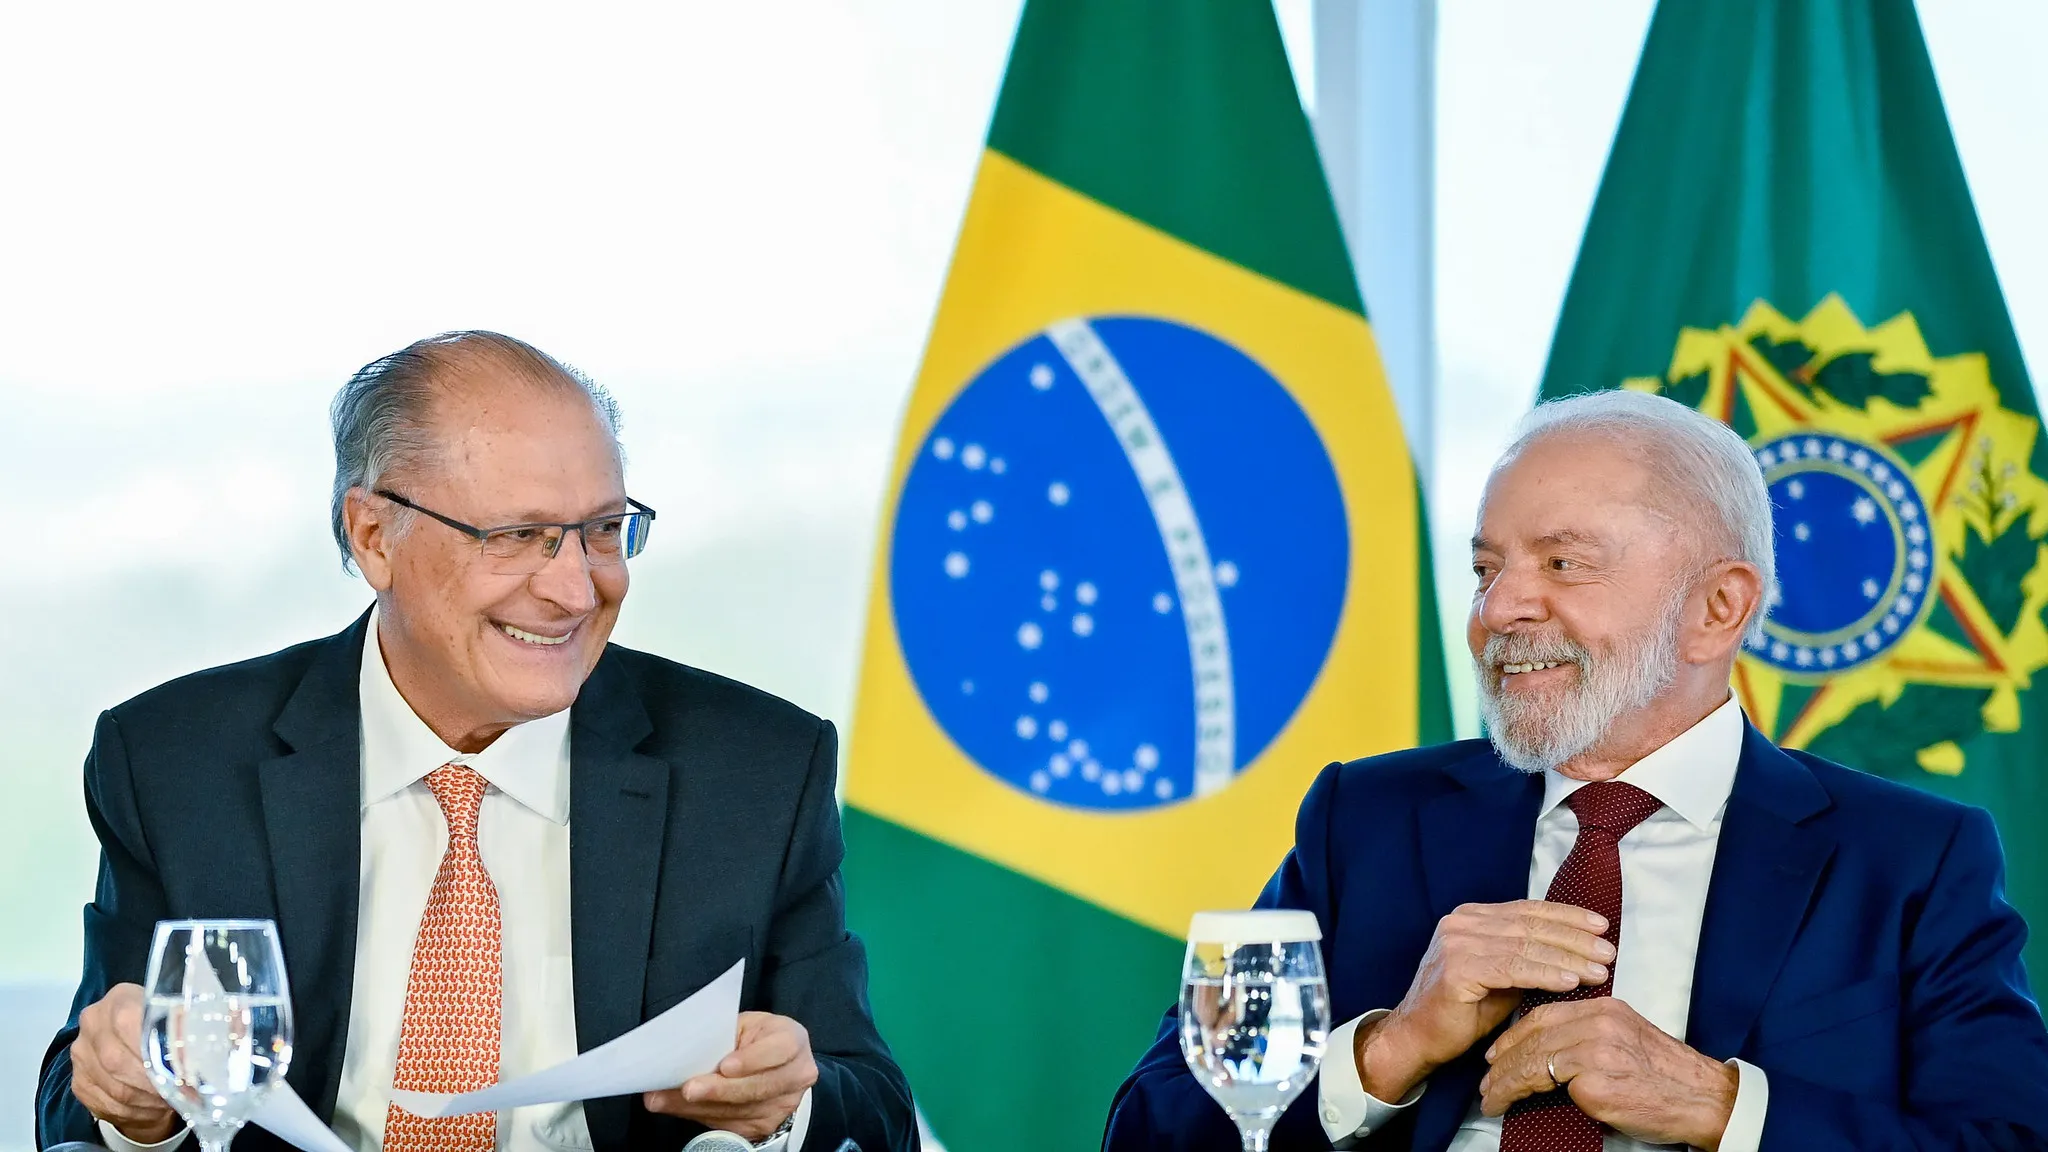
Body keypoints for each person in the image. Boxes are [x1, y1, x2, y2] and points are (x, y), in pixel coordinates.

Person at [35, 332, 917, 1152]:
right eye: (518, 537)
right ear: (373, 536)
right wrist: (136, 1108)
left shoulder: (758, 769)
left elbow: (872, 1109)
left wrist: (789, 1101)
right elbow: (76, 1106)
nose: (576, 589)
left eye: (604, 531)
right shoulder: (174, 760)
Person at [1104, 390, 2048, 1149]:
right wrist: (1392, 1048)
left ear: (1718, 608)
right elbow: (1150, 1131)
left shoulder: (1912, 861)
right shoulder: (1367, 819)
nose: (1502, 607)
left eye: (1562, 563)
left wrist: (1720, 1108)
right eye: (1485, 570)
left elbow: (2007, 1137)